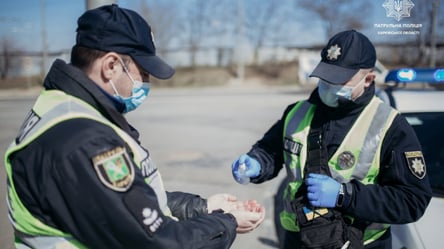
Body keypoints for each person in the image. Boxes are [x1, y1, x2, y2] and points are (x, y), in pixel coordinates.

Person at [4, 4, 265, 249]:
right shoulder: (86, 141)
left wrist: (202, 207)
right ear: (111, 66)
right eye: (144, 72)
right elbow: (157, 241)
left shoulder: (62, 108)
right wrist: (227, 221)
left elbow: (121, 204)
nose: (147, 82)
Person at [231, 30, 432, 249]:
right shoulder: (297, 113)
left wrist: (345, 195)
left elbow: (412, 200)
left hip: (359, 244)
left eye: (339, 79)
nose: (328, 84)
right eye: (326, 76)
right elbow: (270, 150)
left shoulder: (390, 126)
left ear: (368, 79)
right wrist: (256, 163)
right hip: (298, 240)